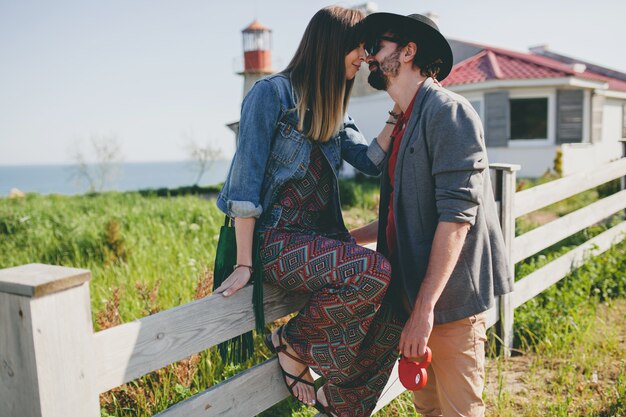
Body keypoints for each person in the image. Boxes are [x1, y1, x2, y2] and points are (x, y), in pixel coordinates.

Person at [215, 6, 403, 417]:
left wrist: (398, 112)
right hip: (276, 240)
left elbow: (369, 160)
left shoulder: (336, 105)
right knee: (375, 270)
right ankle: (292, 343)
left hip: (317, 241)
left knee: (398, 300)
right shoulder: (271, 94)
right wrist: (245, 263)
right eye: (359, 46)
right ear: (331, 43)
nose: (365, 57)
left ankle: (342, 402)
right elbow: (244, 186)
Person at [351, 13, 513, 417]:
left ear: (408, 51)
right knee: (430, 412)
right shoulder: (406, 120)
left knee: (459, 412)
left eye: (377, 46)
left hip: (448, 305)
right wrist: (350, 238)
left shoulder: (448, 112)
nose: (369, 56)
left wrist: (423, 311)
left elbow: (457, 219)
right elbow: (403, 215)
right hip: (415, 304)